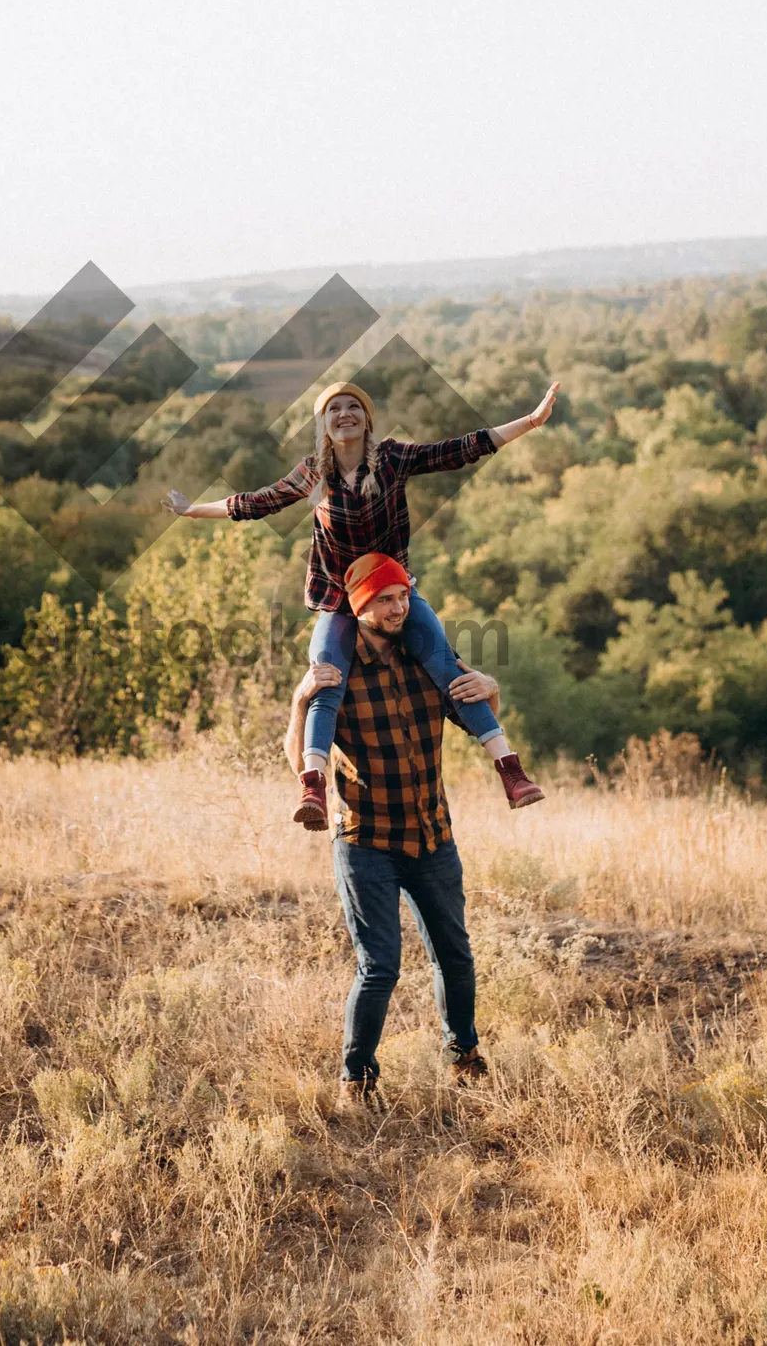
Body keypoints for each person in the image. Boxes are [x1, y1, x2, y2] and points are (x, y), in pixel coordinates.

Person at [163, 376, 557, 826]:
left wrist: (530, 421)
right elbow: (256, 503)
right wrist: (194, 510)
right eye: (334, 408)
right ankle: (313, 783)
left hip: (392, 588)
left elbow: (460, 448)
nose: (344, 414)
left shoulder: (392, 458)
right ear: (323, 423)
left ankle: (511, 771)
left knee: (451, 671)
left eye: (353, 406)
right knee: (324, 680)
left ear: (367, 419)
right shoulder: (313, 473)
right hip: (340, 599)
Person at [283, 552, 503, 1103]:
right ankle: (356, 1079)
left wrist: (492, 687)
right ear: (359, 606)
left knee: (454, 954)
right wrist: (298, 701)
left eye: (403, 596)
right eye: (385, 600)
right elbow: (299, 758)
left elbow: (476, 716)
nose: (398, 607)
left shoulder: (428, 660)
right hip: (366, 841)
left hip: (431, 834)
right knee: (379, 966)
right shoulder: (335, 672)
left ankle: (465, 1055)